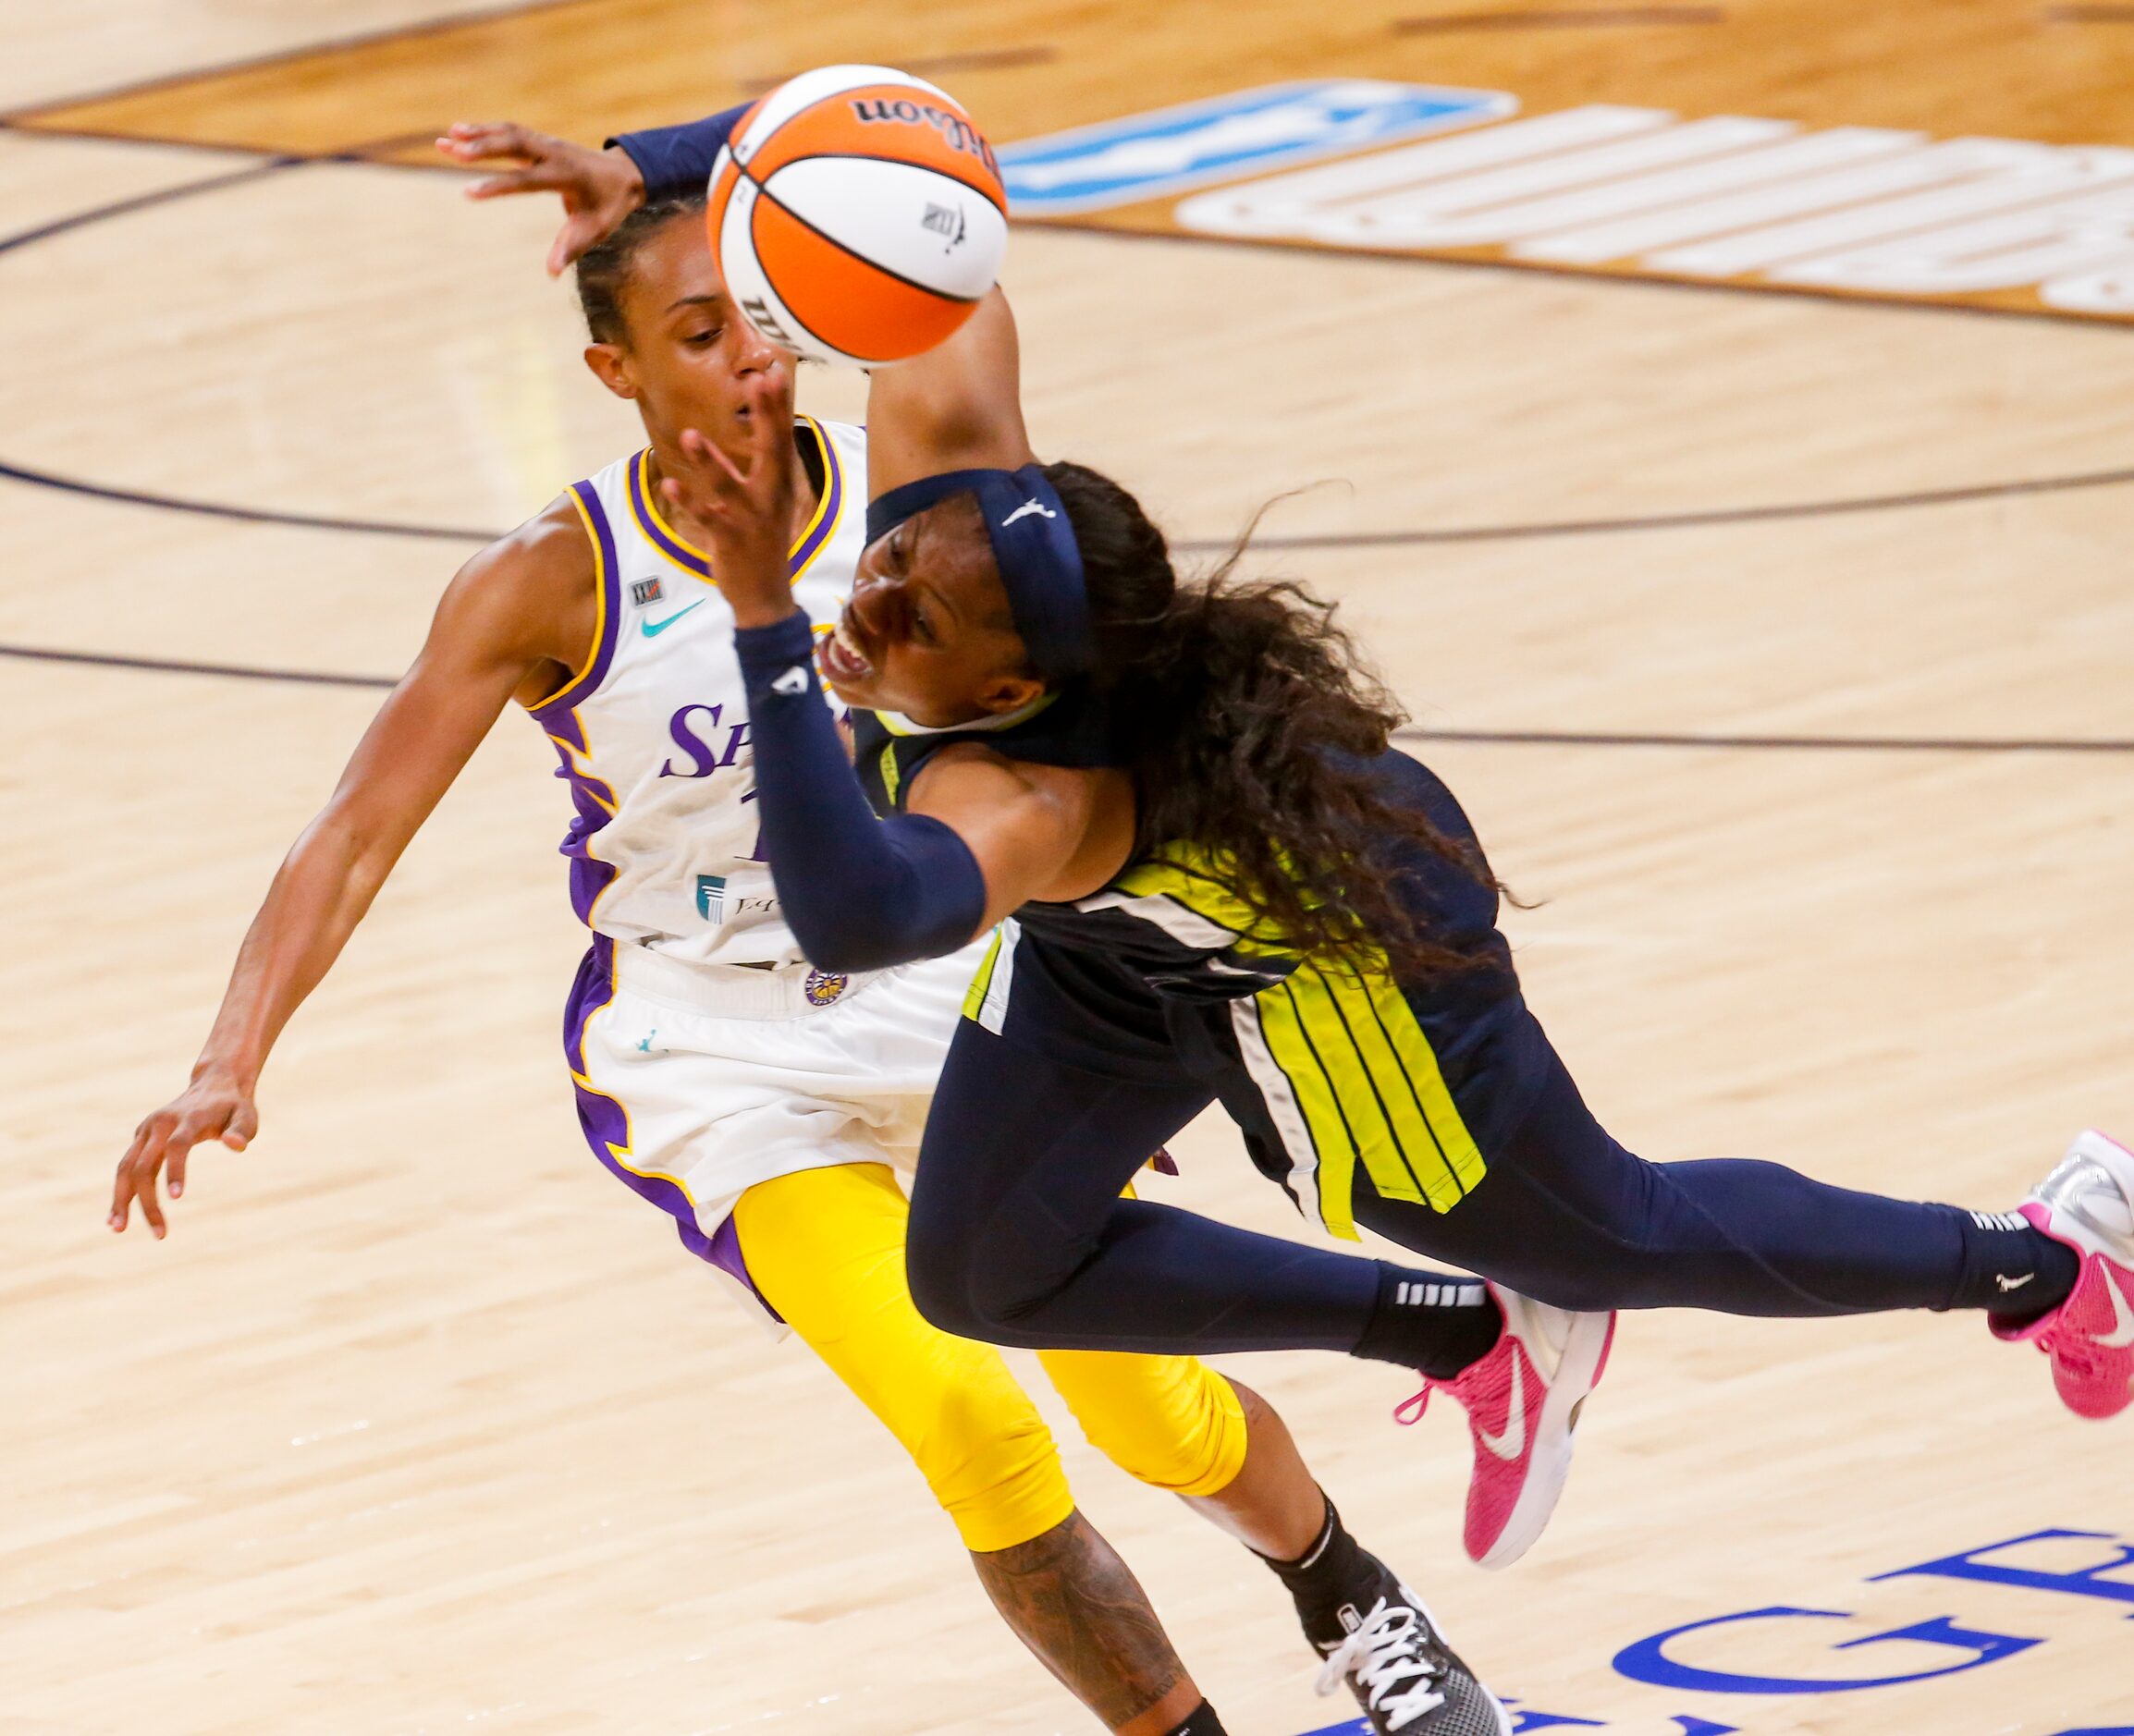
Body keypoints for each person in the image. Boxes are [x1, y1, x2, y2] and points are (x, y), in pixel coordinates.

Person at [106, 117, 1514, 1736]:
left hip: (958, 990)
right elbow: (353, 830)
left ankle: (1351, 1595)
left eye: (761, 320)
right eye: (699, 335)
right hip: (724, 1048)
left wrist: (648, 152)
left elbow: (914, 145)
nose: (751, 364)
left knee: (1154, 1405)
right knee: (964, 1411)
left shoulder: (920, 496)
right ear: (615, 370)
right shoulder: (548, 580)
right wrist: (229, 1055)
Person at [652, 259, 2134, 1570]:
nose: (877, 600)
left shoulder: (1023, 798)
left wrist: (767, 617)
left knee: (1612, 1233)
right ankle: (1467, 1332)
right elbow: (942, 251)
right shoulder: (975, 531)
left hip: (1332, 936)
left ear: (1008, 696)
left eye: (910, 615)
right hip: (1117, 943)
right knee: (980, 1266)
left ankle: (2052, 1256)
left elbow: (854, 914)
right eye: (888, 560)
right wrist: (669, 174)